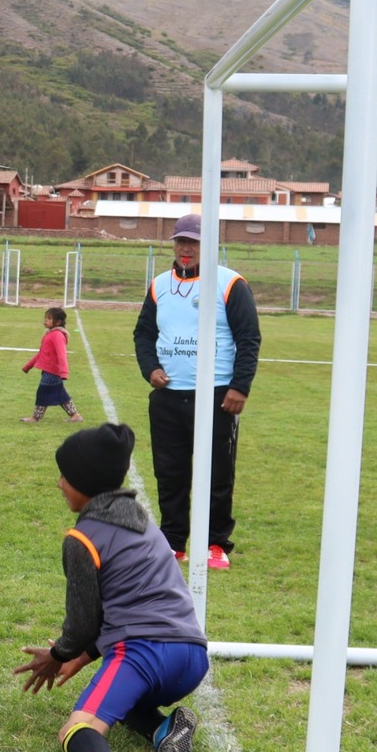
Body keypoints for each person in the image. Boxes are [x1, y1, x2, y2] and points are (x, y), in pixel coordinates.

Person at [14, 422, 207, 752]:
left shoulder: (83, 538)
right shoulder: (144, 524)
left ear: (84, 483)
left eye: (65, 476)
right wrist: (80, 659)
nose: (59, 484)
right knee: (122, 699)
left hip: (145, 653)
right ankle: (165, 730)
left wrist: (58, 653)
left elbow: (86, 622)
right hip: (192, 656)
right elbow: (118, 614)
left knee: (77, 727)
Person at [132, 213, 261, 570]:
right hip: (169, 397)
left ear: (209, 246)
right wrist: (151, 368)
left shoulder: (230, 283)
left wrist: (240, 386)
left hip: (217, 397)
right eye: (181, 241)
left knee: (217, 473)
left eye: (194, 242)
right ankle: (173, 542)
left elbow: (248, 338)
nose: (186, 249)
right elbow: (143, 334)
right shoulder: (159, 285)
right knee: (169, 472)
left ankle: (216, 543)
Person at [20, 307, 82, 424]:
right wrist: (28, 366)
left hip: (53, 371)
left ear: (58, 322)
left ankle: (35, 418)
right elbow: (41, 353)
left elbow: (62, 354)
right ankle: (75, 415)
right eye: (45, 318)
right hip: (48, 370)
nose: (45, 321)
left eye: (49, 318)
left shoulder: (57, 335)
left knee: (42, 392)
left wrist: (64, 372)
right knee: (60, 394)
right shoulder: (50, 334)